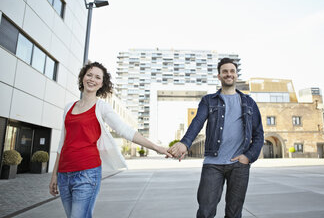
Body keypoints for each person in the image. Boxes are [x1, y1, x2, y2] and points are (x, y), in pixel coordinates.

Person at [49, 62, 172, 218]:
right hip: (64, 174)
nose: (92, 79)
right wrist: (54, 175)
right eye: (89, 75)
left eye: (97, 77)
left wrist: (157, 148)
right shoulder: (68, 107)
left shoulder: (101, 107)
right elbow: (62, 144)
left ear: (102, 83)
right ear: (82, 77)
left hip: (87, 173)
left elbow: (125, 130)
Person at [168, 58, 264, 218]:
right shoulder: (209, 100)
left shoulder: (249, 102)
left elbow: (259, 134)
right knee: (205, 212)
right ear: (219, 76)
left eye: (232, 71)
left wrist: (248, 157)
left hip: (239, 166)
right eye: (225, 71)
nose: (229, 74)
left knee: (234, 214)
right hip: (213, 164)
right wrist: (185, 143)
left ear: (236, 75)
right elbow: (197, 122)